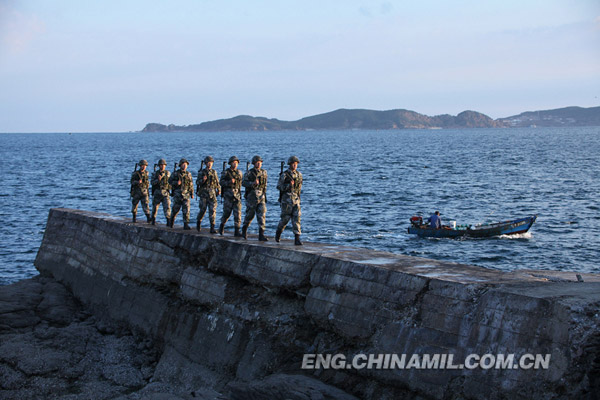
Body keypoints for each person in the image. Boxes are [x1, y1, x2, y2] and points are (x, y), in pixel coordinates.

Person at [276, 156, 303, 245]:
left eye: (296, 164)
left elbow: (299, 188)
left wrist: (299, 198)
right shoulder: (285, 175)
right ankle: (278, 233)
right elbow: (279, 186)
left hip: (296, 199)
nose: (295, 165)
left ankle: (297, 238)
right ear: (290, 164)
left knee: (297, 218)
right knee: (285, 219)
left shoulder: (299, 175)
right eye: (293, 164)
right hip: (286, 200)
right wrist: (288, 185)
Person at [242, 155, 268, 241]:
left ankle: (261, 234)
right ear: (254, 163)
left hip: (261, 196)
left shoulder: (264, 172)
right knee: (250, 214)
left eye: (260, 163)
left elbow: (265, 184)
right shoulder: (249, 173)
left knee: (261, 215)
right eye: (257, 163)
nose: (259, 164)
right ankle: (244, 229)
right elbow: (243, 183)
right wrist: (252, 183)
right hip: (252, 196)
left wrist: (265, 194)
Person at [219, 156, 243, 237]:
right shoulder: (226, 172)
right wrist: (229, 182)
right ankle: (222, 225)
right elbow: (221, 182)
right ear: (230, 163)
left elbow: (241, 182)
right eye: (233, 162)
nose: (235, 164)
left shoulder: (239, 173)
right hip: (228, 196)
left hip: (237, 196)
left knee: (238, 214)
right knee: (227, 213)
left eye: (236, 163)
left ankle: (237, 230)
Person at [196, 156, 221, 233]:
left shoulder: (214, 172)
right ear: (205, 164)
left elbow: (217, 182)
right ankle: (198, 222)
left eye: (211, 163)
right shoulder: (201, 172)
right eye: (208, 163)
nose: (209, 164)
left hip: (212, 193)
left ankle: (212, 227)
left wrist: (219, 190)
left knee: (212, 210)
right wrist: (203, 180)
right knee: (203, 210)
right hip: (204, 194)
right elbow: (197, 182)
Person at [168, 158, 194, 229]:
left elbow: (191, 184)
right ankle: (171, 221)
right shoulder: (175, 173)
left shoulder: (188, 174)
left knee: (186, 210)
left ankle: (186, 224)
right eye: (183, 164)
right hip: (178, 194)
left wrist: (192, 193)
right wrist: (176, 183)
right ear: (180, 165)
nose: (185, 166)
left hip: (186, 195)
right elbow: (169, 181)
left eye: (186, 165)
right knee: (175, 209)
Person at [150, 159, 171, 225]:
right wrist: (158, 180)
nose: (162, 166)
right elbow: (152, 183)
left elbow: (170, 182)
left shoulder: (167, 173)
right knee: (155, 208)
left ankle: (168, 220)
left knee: (167, 206)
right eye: (161, 165)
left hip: (165, 192)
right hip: (157, 192)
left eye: (163, 165)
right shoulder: (155, 174)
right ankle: (153, 219)